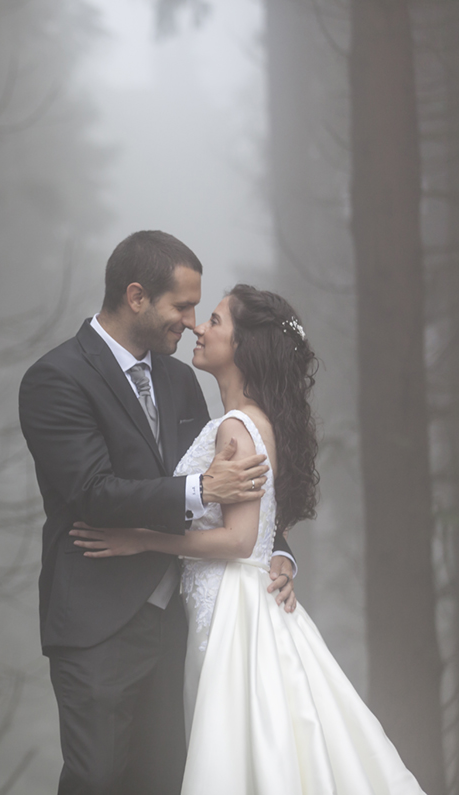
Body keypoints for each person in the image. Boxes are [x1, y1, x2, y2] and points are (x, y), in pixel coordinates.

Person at [70, 285, 425, 794]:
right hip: (236, 597)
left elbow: (238, 540)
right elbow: (255, 535)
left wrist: (143, 539)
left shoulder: (236, 426)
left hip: (232, 607)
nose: (198, 327)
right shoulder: (254, 421)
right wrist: (277, 553)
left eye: (214, 321)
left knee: (240, 741)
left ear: (243, 346)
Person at [19, 231, 297, 795]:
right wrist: (201, 488)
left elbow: (236, 478)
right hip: (99, 622)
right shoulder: (55, 379)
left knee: (167, 780)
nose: (193, 322)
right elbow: (91, 491)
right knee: (96, 778)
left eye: (200, 309)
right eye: (183, 306)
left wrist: (277, 548)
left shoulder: (177, 378)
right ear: (137, 296)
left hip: (180, 624)